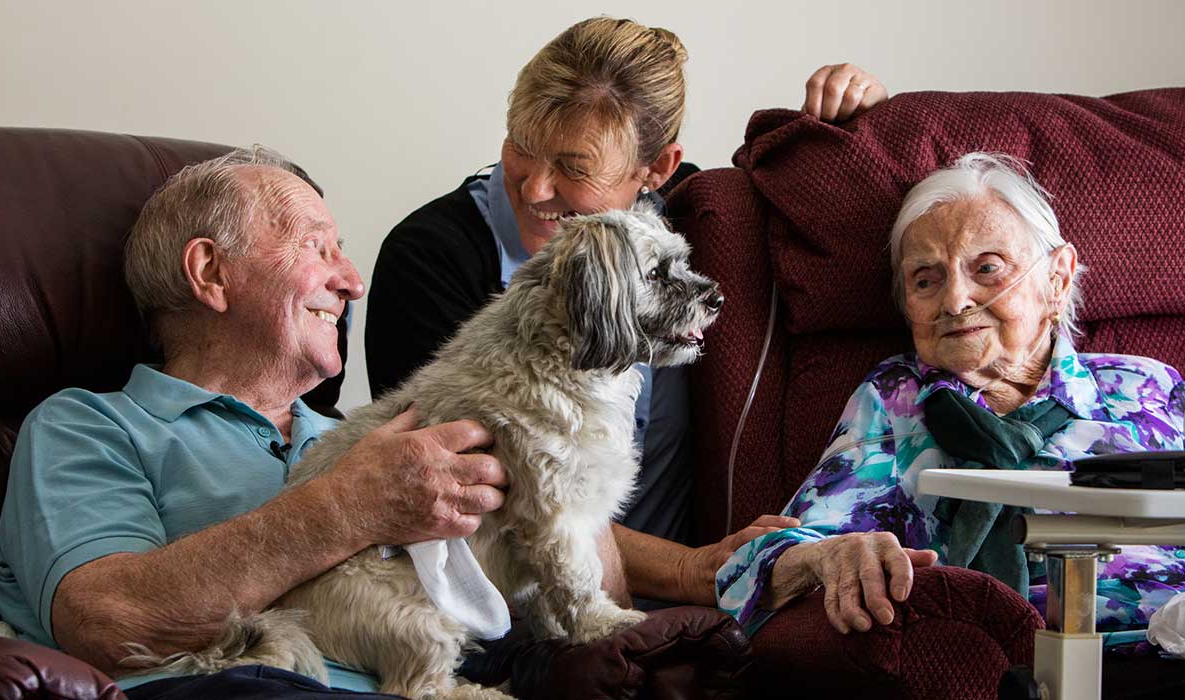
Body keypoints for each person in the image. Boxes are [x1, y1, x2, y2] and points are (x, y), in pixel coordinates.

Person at [0, 148, 744, 699]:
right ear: (210, 273)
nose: (352, 280)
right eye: (319, 248)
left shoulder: (358, 437)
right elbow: (108, 620)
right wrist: (347, 506)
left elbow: (564, 566)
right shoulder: (88, 426)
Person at [715, 151, 1185, 695]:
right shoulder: (899, 401)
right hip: (1119, 657)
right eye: (926, 280)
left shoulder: (1147, 384)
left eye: (986, 268)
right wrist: (829, 558)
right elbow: (765, 556)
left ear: (1057, 279)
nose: (955, 300)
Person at [365, 15, 894, 608]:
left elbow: (852, 209)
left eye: (574, 167)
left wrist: (863, 114)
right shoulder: (430, 258)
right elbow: (487, 497)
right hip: (522, 604)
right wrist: (689, 570)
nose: (536, 189)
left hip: (688, 604)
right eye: (521, 146)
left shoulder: (700, 219)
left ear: (657, 171)